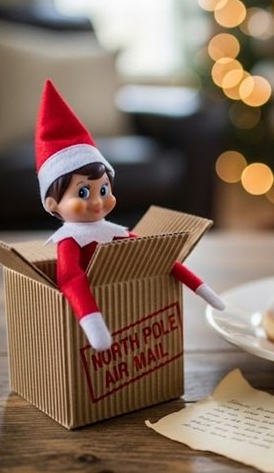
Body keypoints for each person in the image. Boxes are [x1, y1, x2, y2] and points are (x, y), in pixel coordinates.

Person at [35, 80, 222, 351]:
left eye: (104, 189)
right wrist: (93, 322)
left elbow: (157, 256)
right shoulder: (70, 242)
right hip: (90, 320)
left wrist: (202, 289)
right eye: (84, 193)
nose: (98, 202)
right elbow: (70, 277)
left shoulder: (114, 233)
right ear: (53, 203)